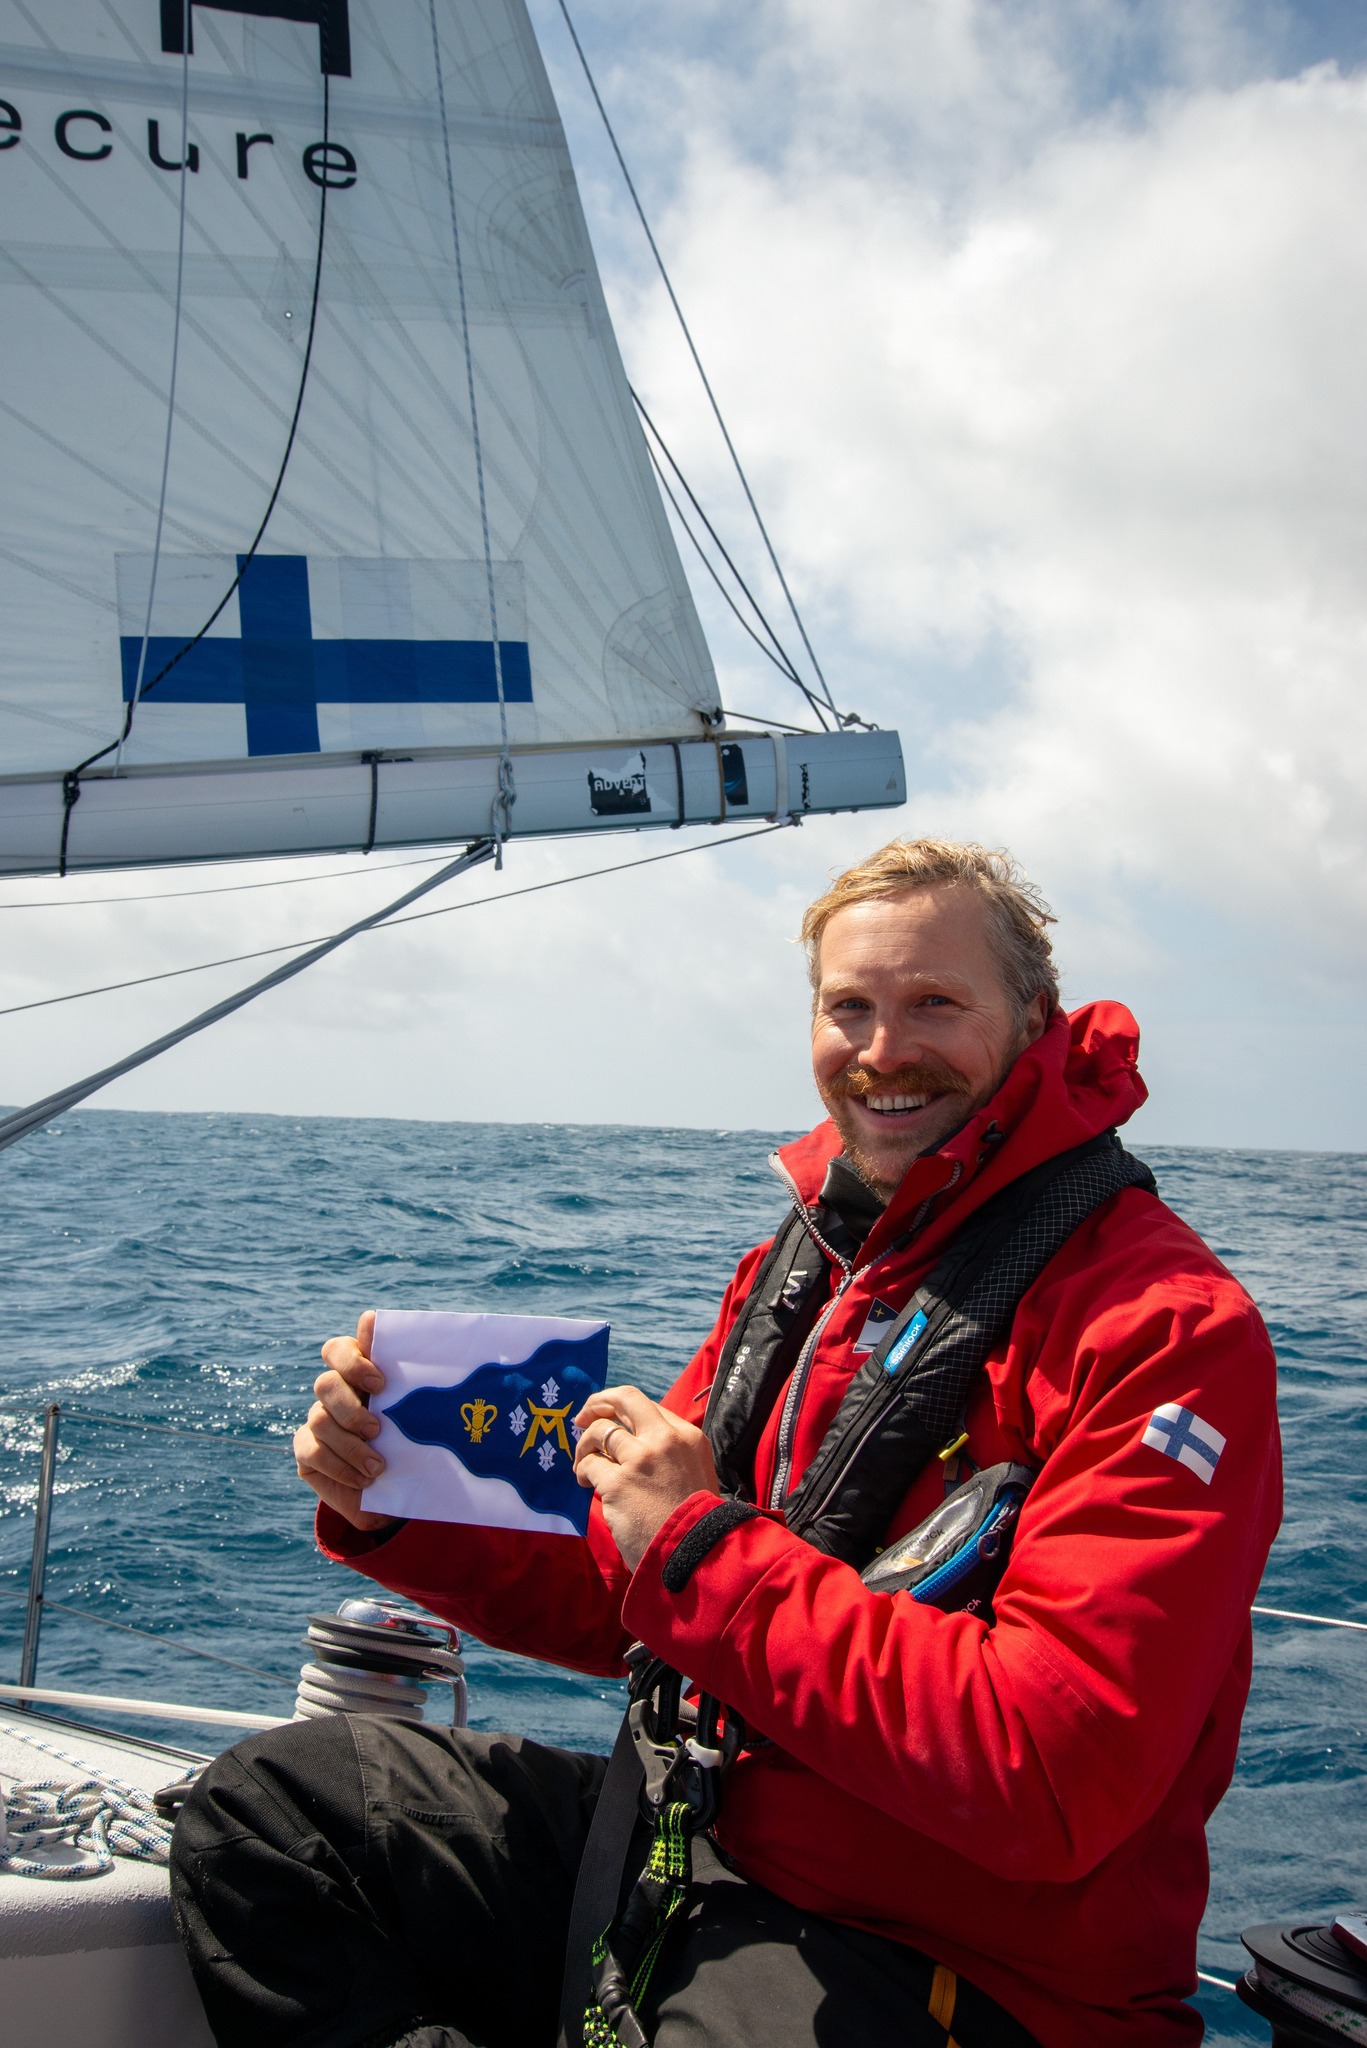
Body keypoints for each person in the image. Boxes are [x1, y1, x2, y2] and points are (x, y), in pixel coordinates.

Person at [170, 838, 1281, 2048]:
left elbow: (1050, 1773)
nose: (880, 1049)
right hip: (687, 1855)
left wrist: (699, 1543)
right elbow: (632, 1596)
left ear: (1032, 1019)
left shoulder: (1162, 1327)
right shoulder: (811, 1266)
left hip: (952, 1965)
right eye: (845, 1006)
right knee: (271, 1819)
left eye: (932, 1005)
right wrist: (398, 1503)